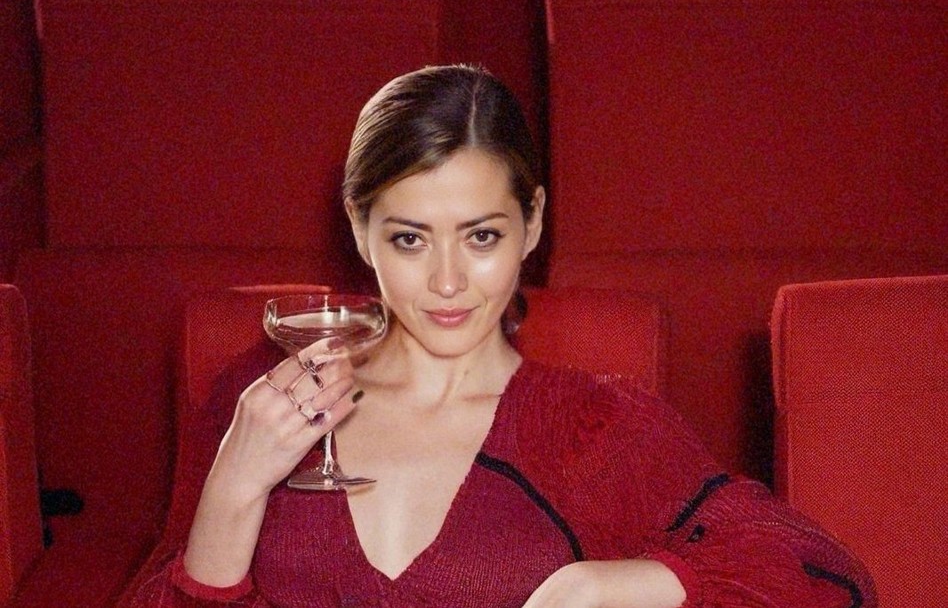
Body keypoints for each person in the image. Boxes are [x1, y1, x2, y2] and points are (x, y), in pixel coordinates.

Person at [124, 64, 876, 607]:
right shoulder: (263, 398)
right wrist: (233, 487)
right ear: (360, 229)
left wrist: (626, 584)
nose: (448, 282)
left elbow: (830, 580)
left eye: (480, 236)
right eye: (410, 239)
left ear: (532, 223)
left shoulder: (592, 429)